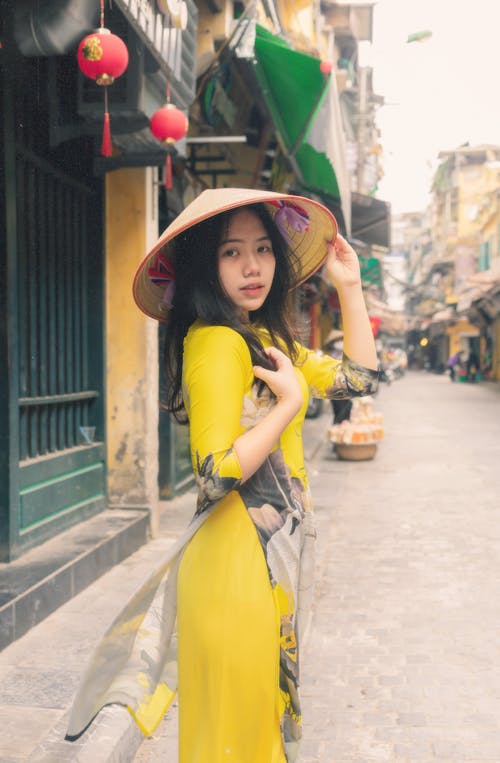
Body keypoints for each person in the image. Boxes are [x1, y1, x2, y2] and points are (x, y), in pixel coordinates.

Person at [66, 187, 379, 762]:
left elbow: (360, 379)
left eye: (262, 248)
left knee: (253, 736)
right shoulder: (214, 342)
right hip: (234, 570)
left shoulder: (265, 342)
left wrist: (350, 287)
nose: (253, 265)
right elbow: (214, 472)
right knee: (236, 743)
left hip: (263, 566)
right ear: (206, 267)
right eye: (231, 252)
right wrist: (287, 406)